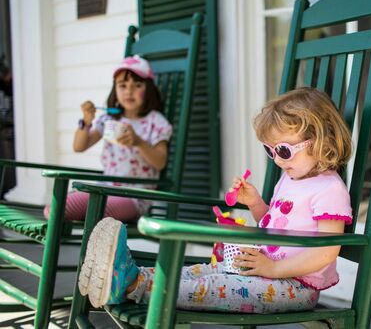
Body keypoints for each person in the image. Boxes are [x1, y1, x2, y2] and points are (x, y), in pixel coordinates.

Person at [78, 87, 353, 314]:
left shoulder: (329, 189)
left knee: (212, 287)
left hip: (296, 287)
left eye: (283, 150)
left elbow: (325, 251)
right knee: (200, 272)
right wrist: (256, 203)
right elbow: (275, 227)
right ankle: (128, 274)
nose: (278, 160)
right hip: (263, 270)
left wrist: (273, 268)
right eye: (271, 151)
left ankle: (130, 285)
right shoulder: (291, 177)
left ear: (321, 140)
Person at [44, 55, 172, 222]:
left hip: (134, 197)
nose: (128, 91)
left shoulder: (156, 122)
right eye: (122, 85)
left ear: (148, 89)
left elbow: (160, 162)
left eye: (137, 85)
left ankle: (93, 243)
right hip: (104, 189)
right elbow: (79, 146)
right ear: (115, 89)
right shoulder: (109, 120)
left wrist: (138, 142)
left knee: (96, 212)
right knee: (56, 207)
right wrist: (87, 121)